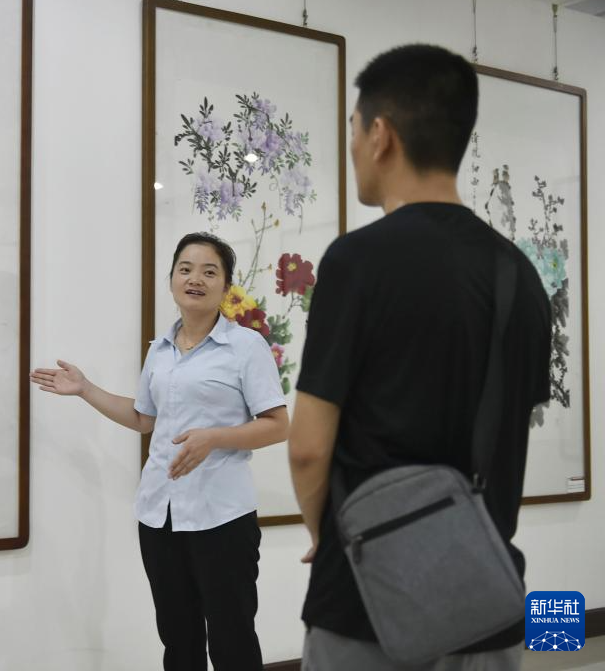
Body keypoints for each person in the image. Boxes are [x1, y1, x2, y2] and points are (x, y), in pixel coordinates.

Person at [288, 44, 551, 670]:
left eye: (355, 128)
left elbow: (307, 448)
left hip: (367, 605)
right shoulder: (520, 275)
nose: (353, 145)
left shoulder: (357, 261)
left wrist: (336, 535)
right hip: (486, 602)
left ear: (381, 135)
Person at [31, 232, 289, 671]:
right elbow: (143, 419)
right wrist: (86, 389)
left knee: (232, 639)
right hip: (159, 515)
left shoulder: (247, 347)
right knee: (177, 637)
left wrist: (215, 437)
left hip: (221, 517)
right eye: (185, 269)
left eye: (209, 272)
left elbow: (278, 425)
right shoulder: (160, 349)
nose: (195, 279)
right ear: (171, 279)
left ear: (226, 287)